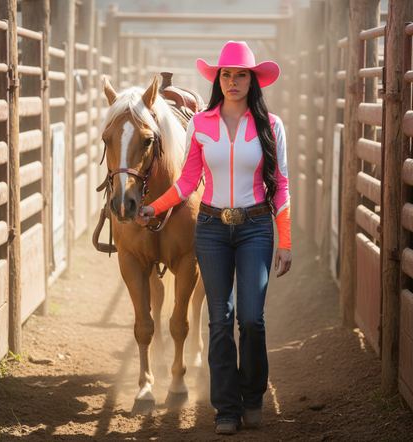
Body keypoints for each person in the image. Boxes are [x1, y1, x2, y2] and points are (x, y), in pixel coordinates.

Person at [137, 41, 291, 435]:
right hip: (211, 228)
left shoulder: (272, 126)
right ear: (218, 79)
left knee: (251, 320)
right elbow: (189, 181)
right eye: (226, 74)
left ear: (253, 80)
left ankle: (252, 397)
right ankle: (226, 409)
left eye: (241, 75)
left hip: (256, 227)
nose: (233, 81)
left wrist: (285, 240)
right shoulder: (201, 123)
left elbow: (282, 187)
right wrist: (156, 208)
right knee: (218, 319)